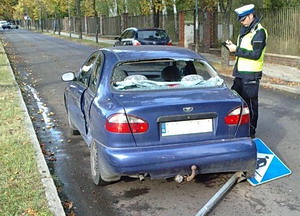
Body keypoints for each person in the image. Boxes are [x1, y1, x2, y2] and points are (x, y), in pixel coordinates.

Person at [225, 4, 268, 138]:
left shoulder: (258, 31)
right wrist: (232, 47)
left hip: (251, 75)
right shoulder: (246, 30)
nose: (242, 22)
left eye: (243, 19)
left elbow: (255, 54)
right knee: (235, 102)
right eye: (240, 20)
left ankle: (250, 134)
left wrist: (236, 50)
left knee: (250, 105)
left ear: (251, 16)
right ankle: (236, 130)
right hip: (240, 74)